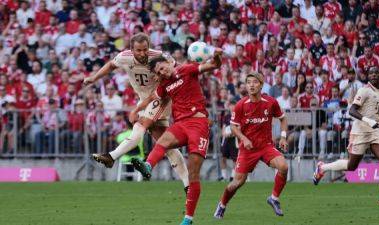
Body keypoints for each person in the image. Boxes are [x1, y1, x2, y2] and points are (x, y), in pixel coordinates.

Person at [82, 33, 189, 190]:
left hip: (161, 97)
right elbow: (111, 65)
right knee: (166, 144)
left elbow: (176, 67)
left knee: (141, 125)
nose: (142, 53)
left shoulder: (158, 56)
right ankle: (188, 184)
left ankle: (112, 156)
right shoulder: (124, 57)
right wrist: (94, 78)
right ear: (131, 49)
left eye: (145, 49)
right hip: (145, 100)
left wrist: (171, 75)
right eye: (138, 50)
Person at [129, 49, 223, 225]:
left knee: (193, 174)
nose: (162, 73)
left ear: (168, 62)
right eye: (158, 72)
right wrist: (135, 110)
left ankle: (188, 219)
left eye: (163, 68)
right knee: (162, 141)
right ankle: (148, 166)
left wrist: (216, 54)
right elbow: (151, 98)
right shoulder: (164, 85)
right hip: (181, 124)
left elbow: (214, 64)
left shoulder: (188, 69)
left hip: (198, 125)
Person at [313, 67, 379, 208]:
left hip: (375, 132)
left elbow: (377, 114)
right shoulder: (364, 90)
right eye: (371, 73)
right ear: (368, 76)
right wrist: (368, 121)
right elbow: (352, 110)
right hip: (360, 132)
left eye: (376, 73)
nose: (373, 75)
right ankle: (323, 168)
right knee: (351, 166)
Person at [214, 72, 289, 218]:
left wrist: (283, 137)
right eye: (248, 82)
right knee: (237, 183)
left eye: (255, 82)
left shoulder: (271, 102)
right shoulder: (241, 105)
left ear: (261, 85)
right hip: (248, 149)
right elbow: (234, 126)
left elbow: (283, 119)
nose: (251, 85)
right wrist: (244, 139)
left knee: (284, 166)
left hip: (266, 146)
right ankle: (222, 204)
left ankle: (274, 198)